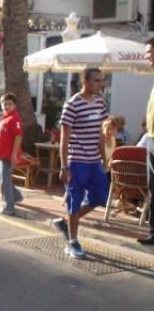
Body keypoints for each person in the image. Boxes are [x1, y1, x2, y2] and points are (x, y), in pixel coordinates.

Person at [52, 67, 109, 258]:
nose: (101, 84)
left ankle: (66, 221)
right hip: (77, 161)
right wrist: (64, 166)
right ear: (85, 81)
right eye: (97, 81)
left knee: (100, 197)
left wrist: (105, 159)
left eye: (102, 80)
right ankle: (72, 242)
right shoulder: (72, 105)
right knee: (74, 203)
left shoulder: (100, 102)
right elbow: (64, 138)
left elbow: (101, 134)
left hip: (95, 162)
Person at [0, 92, 24, 216]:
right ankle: (16, 196)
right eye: (4, 104)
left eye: (9, 104)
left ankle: (9, 207)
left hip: (8, 156)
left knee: (5, 181)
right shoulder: (6, 117)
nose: (6, 106)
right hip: (2, 155)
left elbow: (18, 136)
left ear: (14, 105)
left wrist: (14, 154)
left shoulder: (14, 118)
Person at [138, 37, 154, 245]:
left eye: (150, 52)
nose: (147, 56)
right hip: (151, 138)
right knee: (153, 188)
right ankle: (153, 232)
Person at [102, 115, 119, 180]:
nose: (109, 131)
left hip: (110, 169)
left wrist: (111, 161)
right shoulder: (100, 140)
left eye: (112, 129)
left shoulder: (113, 139)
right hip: (100, 168)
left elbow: (113, 154)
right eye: (108, 128)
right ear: (104, 127)